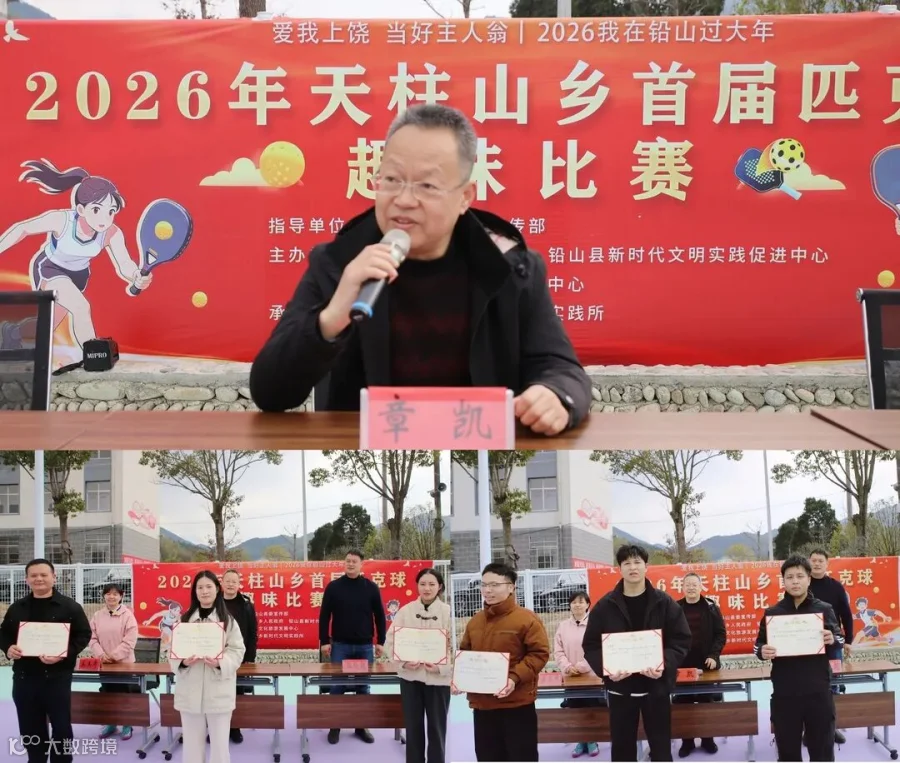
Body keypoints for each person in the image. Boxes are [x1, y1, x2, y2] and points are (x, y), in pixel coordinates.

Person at [249, 103, 591, 436]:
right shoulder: (339, 263)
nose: (404, 200)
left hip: (476, 446)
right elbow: (269, 392)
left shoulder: (511, 269)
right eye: (392, 179)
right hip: (372, 452)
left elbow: (562, 369)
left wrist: (554, 395)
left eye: (426, 186)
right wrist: (330, 319)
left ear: (465, 196)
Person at [583, 544, 692, 762]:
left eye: (637, 562)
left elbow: (681, 638)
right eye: (627, 563)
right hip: (620, 689)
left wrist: (663, 663)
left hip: (656, 687)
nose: (632, 567)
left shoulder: (664, 602)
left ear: (646, 566)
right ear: (619, 568)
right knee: (622, 750)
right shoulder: (605, 606)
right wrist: (608, 669)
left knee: (661, 749)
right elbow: (591, 645)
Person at [0, 558, 92, 763]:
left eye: (43, 574)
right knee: (30, 727)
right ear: (27, 579)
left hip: (57, 678)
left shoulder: (70, 607)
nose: (39, 579)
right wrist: (8, 648)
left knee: (61, 727)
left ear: (54, 577)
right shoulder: (17, 608)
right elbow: (4, 634)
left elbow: (84, 635)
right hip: (24, 678)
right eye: (33, 575)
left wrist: (63, 653)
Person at [457, 562, 550, 762]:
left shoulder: (527, 619)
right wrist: (460, 678)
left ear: (510, 587)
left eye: (494, 585)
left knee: (521, 757)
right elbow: (466, 653)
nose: (487, 590)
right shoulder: (475, 621)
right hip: (483, 706)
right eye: (484, 585)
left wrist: (514, 678)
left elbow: (539, 654)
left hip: (517, 704)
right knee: (487, 756)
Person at [754, 555, 843, 763]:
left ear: (809, 579)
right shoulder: (773, 613)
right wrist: (762, 651)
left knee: (822, 752)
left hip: (818, 693)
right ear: (783, 581)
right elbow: (758, 645)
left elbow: (840, 639)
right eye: (790, 577)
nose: (795, 581)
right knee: (788, 753)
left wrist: (832, 639)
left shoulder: (823, 609)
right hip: (785, 694)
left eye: (800, 576)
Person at [170, 570, 246, 763]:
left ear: (217, 589)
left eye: (208, 587)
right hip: (190, 691)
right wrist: (183, 662)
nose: (204, 591)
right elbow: (171, 651)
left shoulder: (227, 620)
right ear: (195, 591)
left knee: (220, 747)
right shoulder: (184, 620)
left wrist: (220, 663)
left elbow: (237, 650)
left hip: (218, 692)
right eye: (200, 587)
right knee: (192, 747)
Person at [383, 568, 453, 763]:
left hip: (438, 680)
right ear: (417, 586)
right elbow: (390, 641)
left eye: (431, 584)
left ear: (440, 586)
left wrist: (442, 668)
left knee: (437, 729)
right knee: (413, 729)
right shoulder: (406, 611)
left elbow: (458, 646)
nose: (427, 588)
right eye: (422, 584)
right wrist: (404, 662)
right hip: (410, 678)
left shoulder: (448, 612)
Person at [318, 549, 387, 745]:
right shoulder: (334, 587)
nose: (350, 564)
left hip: (365, 646)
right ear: (344, 563)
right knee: (337, 686)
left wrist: (380, 641)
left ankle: (361, 726)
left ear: (361, 564)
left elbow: (380, 616)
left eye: (354, 561)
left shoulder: (370, 587)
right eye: (347, 561)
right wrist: (324, 641)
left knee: (363, 687)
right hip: (340, 646)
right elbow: (324, 616)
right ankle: (335, 725)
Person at [674, 572, 727, 758]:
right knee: (683, 703)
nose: (691, 587)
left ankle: (707, 739)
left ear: (700, 587)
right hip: (683, 665)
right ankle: (687, 742)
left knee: (706, 702)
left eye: (694, 584)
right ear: (682, 587)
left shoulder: (711, 607)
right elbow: (670, 635)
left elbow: (720, 634)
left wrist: (714, 655)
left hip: (707, 665)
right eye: (687, 584)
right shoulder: (675, 608)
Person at [808, 548, 853, 745]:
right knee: (809, 688)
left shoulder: (836, 586)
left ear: (827, 564)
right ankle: (809, 730)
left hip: (833, 646)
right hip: (807, 646)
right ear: (809, 563)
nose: (817, 564)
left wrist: (848, 640)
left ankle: (831, 728)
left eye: (821, 561)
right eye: (814, 560)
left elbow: (846, 614)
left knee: (833, 687)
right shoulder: (803, 585)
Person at [553, 590, 602, 759]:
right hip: (570, 677)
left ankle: (592, 741)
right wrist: (567, 667)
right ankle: (580, 741)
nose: (577, 605)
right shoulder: (563, 626)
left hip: (591, 676)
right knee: (575, 709)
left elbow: (597, 649)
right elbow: (558, 650)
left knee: (591, 709)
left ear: (588, 604)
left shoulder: (595, 625)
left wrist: (581, 667)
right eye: (574, 602)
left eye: (581, 602)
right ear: (570, 605)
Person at [88, 582, 139, 741]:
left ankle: (127, 724)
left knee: (124, 694)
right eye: (108, 593)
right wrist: (101, 655)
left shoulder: (128, 615)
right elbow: (92, 638)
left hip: (124, 663)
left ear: (121, 596)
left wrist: (114, 656)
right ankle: (111, 723)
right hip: (104, 663)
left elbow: (130, 640)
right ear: (104, 596)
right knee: (107, 693)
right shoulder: (97, 615)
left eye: (115, 594)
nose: (111, 597)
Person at [221, 569, 259, 744]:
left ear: (239, 584)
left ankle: (235, 728)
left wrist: (250, 657)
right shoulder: (214, 603)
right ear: (222, 583)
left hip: (239, 657)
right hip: (217, 657)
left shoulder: (246, 605)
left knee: (237, 694)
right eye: (227, 581)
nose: (230, 584)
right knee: (218, 694)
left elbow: (252, 633)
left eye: (234, 581)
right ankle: (218, 729)